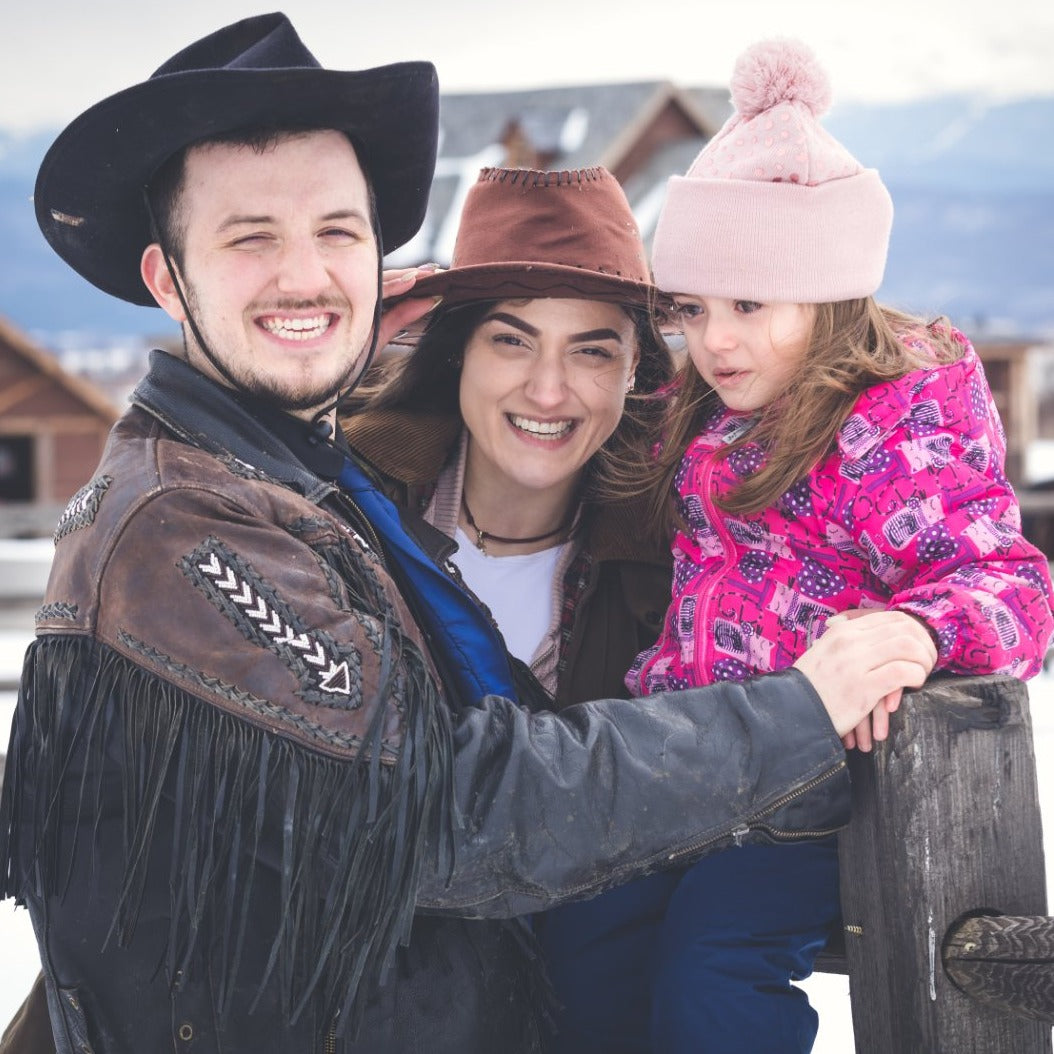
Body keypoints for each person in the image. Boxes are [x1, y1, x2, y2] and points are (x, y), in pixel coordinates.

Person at [0, 17, 939, 1054]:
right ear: (168, 278)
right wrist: (799, 709)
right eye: (250, 236)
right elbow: (447, 805)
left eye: (338, 233)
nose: (305, 275)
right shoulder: (182, 520)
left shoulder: (304, 492)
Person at [539, 39, 1054, 1054]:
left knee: (711, 971)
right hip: (683, 762)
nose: (715, 339)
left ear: (826, 296)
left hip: (805, 786)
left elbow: (1009, 587)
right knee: (577, 942)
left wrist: (912, 628)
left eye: (748, 305)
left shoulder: (893, 429)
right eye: (692, 309)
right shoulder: (709, 409)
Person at [343, 164, 674, 707]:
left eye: (591, 351)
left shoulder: (684, 559)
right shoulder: (345, 500)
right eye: (512, 343)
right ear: (459, 350)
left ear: (634, 366)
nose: (547, 392)